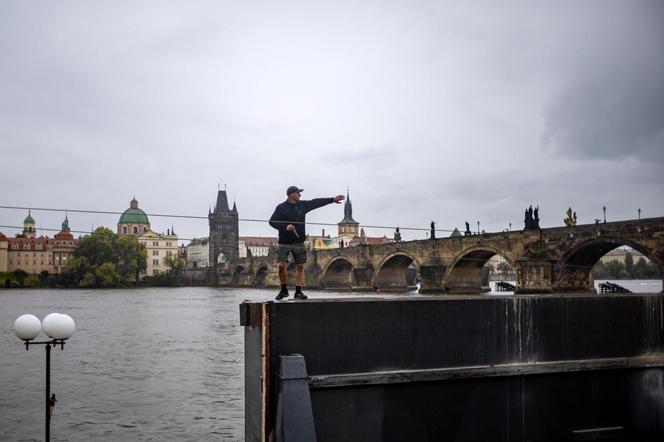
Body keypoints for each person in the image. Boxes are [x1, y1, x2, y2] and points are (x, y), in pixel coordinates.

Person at [269, 186, 344, 300]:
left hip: (299, 242)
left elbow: (316, 202)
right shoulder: (281, 207)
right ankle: (284, 290)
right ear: (291, 194)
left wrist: (332, 199)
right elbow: (272, 222)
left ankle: (298, 291)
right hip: (284, 242)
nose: (300, 195)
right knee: (280, 265)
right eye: (298, 193)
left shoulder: (302, 205)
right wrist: (285, 227)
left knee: (300, 266)